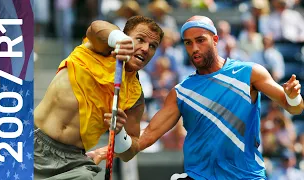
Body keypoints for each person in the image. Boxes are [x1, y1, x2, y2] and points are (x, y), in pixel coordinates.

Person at [89, 15, 304, 180]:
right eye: (188, 43)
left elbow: (294, 108)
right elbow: (145, 138)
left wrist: (293, 97)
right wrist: (107, 147)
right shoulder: (181, 92)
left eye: (200, 40)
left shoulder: (250, 73)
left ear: (215, 39)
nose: (194, 49)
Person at [34, 15, 164, 179]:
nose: (146, 48)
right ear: (124, 36)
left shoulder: (136, 96)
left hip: (72, 164)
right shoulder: (96, 48)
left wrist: (119, 133)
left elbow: (129, 152)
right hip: (32, 144)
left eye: (152, 46)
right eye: (140, 39)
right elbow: (95, 27)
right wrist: (118, 40)